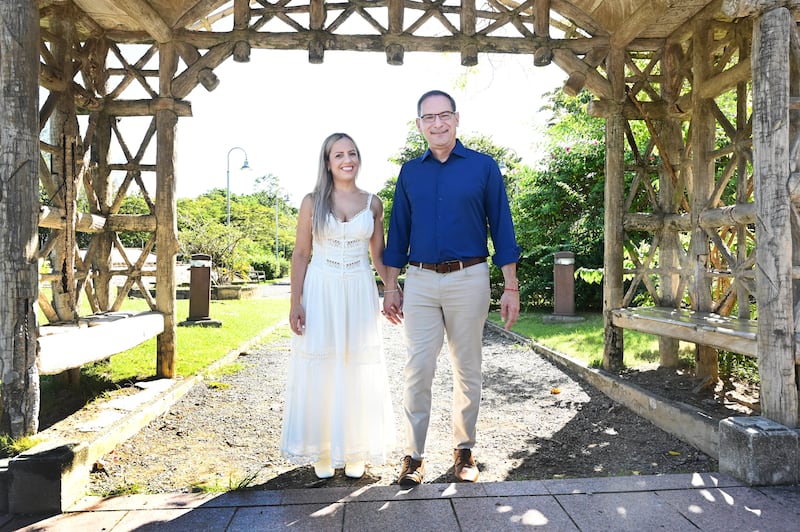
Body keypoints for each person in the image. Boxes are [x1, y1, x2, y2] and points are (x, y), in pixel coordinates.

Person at [382, 90, 521, 486]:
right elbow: (398, 234)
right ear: (419, 125)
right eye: (429, 117)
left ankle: (464, 449)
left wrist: (510, 286)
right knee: (418, 369)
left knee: (467, 368)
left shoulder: (483, 167)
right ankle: (414, 456)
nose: (438, 123)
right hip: (421, 280)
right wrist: (391, 287)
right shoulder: (410, 172)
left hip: (469, 277)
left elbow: (503, 227)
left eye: (445, 115)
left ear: (457, 119)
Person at [280, 132, 395, 480]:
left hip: (359, 288)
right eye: (339, 154)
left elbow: (379, 254)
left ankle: (356, 447)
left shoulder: (374, 203)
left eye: (352, 153)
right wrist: (295, 301)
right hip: (321, 288)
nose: (347, 159)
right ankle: (326, 449)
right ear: (328, 163)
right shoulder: (312, 202)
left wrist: (392, 288)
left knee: (356, 364)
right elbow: (301, 254)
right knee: (324, 365)